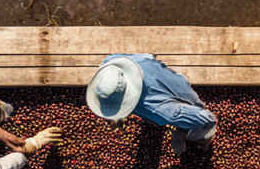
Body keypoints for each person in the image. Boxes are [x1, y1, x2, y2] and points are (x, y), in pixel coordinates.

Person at [87, 54, 218, 156]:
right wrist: (117, 117)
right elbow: (150, 56)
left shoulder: (157, 110)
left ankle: (198, 139)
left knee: (201, 129)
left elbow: (207, 119)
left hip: (185, 99)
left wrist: (180, 136)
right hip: (168, 77)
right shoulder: (113, 63)